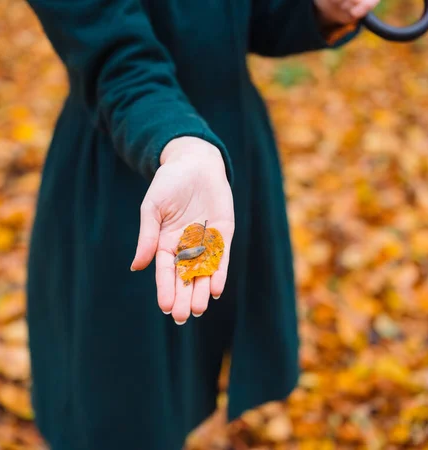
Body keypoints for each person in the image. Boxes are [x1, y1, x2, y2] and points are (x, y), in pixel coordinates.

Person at [23, 0, 378, 448]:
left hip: (229, 164)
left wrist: (322, 11)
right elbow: (116, 59)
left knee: (201, 356)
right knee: (122, 390)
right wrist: (181, 142)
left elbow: (247, 19)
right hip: (127, 165)